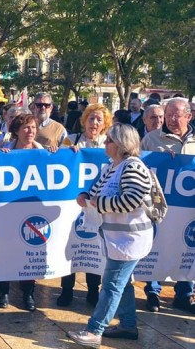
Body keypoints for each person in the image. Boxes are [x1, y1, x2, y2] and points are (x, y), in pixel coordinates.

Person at [68, 123, 154, 348]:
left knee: (111, 285)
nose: (105, 143)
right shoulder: (112, 166)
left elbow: (131, 200)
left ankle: (94, 330)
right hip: (118, 240)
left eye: (109, 140)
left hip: (129, 241)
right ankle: (128, 325)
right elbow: (96, 191)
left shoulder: (132, 167)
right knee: (121, 285)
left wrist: (99, 203)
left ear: (121, 144)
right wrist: (84, 195)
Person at [0, 114, 57, 311]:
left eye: (32, 127)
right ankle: (3, 290)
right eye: (25, 128)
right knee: (6, 250)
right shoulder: (5, 150)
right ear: (16, 131)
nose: (30, 131)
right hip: (7, 211)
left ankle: (28, 293)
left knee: (29, 250)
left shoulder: (43, 152)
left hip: (32, 211)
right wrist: (0, 156)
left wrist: (66, 152)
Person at [141, 98, 194, 313]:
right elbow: (139, 166)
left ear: (189, 117)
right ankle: (153, 292)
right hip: (159, 205)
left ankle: (184, 294)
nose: (171, 119)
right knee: (157, 244)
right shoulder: (152, 140)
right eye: (168, 114)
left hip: (188, 207)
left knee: (187, 247)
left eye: (177, 115)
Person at [57, 103, 113, 307]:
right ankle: (66, 290)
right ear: (85, 120)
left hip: (96, 203)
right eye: (91, 118)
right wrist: (67, 152)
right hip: (72, 204)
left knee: (94, 247)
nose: (95, 123)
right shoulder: (71, 140)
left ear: (105, 123)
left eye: (99, 119)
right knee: (71, 245)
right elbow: (58, 160)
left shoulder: (108, 144)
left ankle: (92, 290)